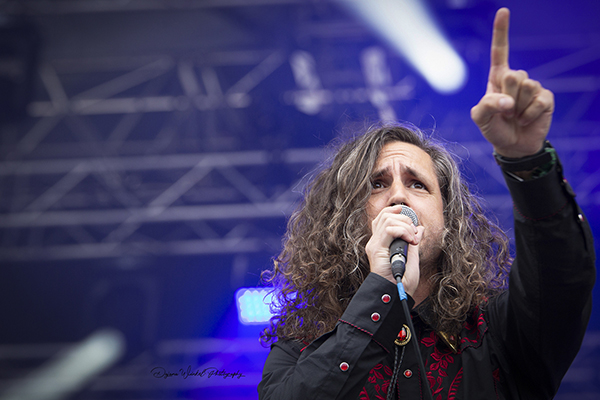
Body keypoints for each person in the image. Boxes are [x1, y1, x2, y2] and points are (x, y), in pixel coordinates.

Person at [257, 8, 595, 400]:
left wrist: (526, 159)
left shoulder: (496, 334)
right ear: (346, 219)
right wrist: (382, 290)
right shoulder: (301, 348)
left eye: (418, 184)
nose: (398, 196)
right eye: (377, 184)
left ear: (448, 221)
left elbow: (561, 277)